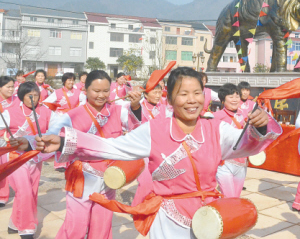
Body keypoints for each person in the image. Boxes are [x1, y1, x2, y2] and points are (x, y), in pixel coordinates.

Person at [16, 67, 282, 238]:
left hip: (208, 217)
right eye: (183, 94)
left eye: (197, 93)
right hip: (168, 219)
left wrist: (259, 127)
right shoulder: (153, 130)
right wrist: (63, 142)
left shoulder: (216, 129)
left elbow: (245, 146)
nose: (192, 100)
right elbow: (112, 147)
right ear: (170, 98)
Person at [21, 70, 142, 239]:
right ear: (85, 90)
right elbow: (51, 137)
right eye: (96, 91)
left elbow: (136, 132)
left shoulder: (118, 110)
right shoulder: (72, 115)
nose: (101, 95)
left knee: (102, 226)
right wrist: (28, 143)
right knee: (75, 227)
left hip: (108, 179)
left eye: (106, 91)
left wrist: (136, 107)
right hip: (82, 178)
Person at [0, 82, 57, 238]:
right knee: (24, 191)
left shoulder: (46, 112)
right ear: (21, 96)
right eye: (29, 96)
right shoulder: (9, 112)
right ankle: (27, 229)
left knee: (31, 192)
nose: (34, 98)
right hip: (15, 157)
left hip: (35, 156)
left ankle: (14, 223)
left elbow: (57, 128)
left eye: (36, 95)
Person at [131, 82, 173, 206]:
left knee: (159, 181)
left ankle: (149, 206)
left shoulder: (164, 108)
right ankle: (137, 207)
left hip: (159, 150)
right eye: (154, 92)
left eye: (160, 92)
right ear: (145, 93)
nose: (158, 95)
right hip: (142, 149)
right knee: (145, 181)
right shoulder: (138, 107)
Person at [214, 83, 249, 197]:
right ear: (223, 100)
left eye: (237, 96)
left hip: (242, 164)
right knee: (229, 197)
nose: (235, 99)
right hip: (224, 164)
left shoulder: (246, 115)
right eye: (231, 96)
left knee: (236, 198)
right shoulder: (216, 117)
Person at [0, 76, 16, 207]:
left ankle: (2, 196)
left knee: (5, 167)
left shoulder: (17, 100)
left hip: (9, 139)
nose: (11, 89)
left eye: (12, 86)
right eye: (8, 87)